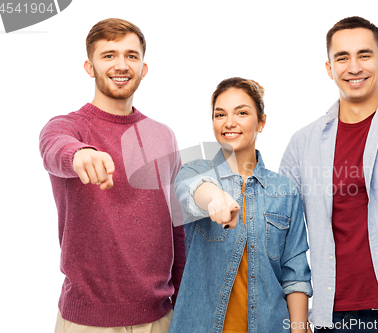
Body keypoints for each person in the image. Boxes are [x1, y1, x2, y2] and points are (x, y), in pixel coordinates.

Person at [280, 16, 378, 332]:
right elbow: (283, 232)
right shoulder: (304, 142)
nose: (354, 67)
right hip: (334, 317)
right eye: (342, 57)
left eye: (364, 55)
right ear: (329, 69)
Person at [39, 18, 186, 333]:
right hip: (86, 322)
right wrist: (80, 155)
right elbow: (54, 148)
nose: (121, 65)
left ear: (144, 68)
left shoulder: (163, 136)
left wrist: (185, 305)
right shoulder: (67, 127)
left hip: (159, 319)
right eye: (109, 55)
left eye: (131, 56)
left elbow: (177, 229)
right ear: (89, 67)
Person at [168, 77, 312, 333]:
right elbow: (191, 191)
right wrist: (215, 198)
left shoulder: (285, 191)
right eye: (220, 114)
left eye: (242, 113)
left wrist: (299, 329)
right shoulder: (194, 169)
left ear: (262, 122)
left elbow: (295, 275)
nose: (229, 122)